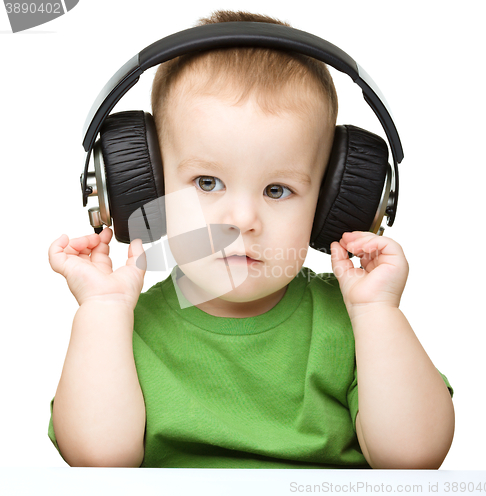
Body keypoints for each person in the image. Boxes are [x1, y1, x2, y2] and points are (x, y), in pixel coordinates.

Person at [47, 10, 454, 469]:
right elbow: (98, 461)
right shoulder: (122, 329)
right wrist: (101, 312)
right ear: (148, 190)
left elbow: (414, 458)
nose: (242, 219)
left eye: (278, 190)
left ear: (330, 206)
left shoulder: (355, 325)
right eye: (206, 183)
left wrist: (377, 313)